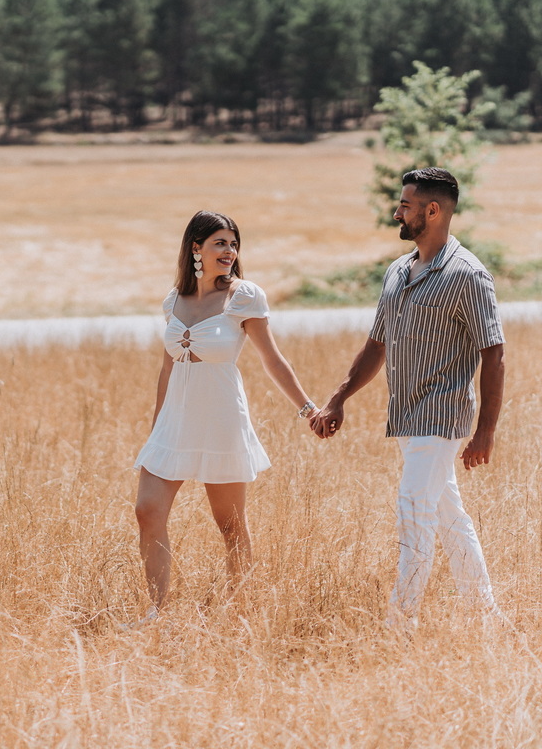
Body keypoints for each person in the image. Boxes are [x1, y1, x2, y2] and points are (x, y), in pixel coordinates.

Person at [311, 167, 505, 633]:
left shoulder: (468, 276)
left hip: (441, 417)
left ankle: (400, 624)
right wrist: (339, 399)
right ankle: (486, 616)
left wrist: (486, 431)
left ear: (432, 211)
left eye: (405, 204)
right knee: (448, 517)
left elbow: (493, 353)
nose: (397, 211)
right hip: (406, 415)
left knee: (413, 510)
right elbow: (377, 343)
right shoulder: (398, 271)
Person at [131, 210, 316, 626]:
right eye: (220, 242)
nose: (229, 251)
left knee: (229, 525)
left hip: (221, 421)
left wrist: (307, 408)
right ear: (196, 248)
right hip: (174, 424)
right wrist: (157, 427)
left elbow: (272, 359)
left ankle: (240, 613)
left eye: (233, 243)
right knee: (148, 510)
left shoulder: (244, 296)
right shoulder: (174, 300)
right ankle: (157, 612)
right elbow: (167, 369)